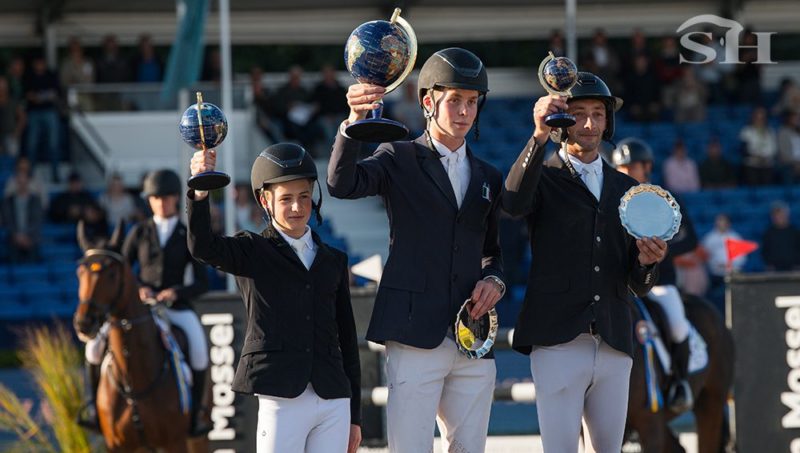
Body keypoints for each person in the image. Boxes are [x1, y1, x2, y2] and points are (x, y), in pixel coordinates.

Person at [328, 47, 505, 452]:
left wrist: (495, 279)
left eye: (472, 102)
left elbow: (492, 252)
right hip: (413, 331)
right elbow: (342, 184)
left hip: (473, 335)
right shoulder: (397, 156)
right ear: (428, 102)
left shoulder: (488, 176)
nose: (464, 111)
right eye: (455, 100)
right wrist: (353, 123)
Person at [502, 71, 666, 453]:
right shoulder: (542, 177)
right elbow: (511, 203)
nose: (590, 123)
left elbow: (638, 283)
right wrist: (538, 136)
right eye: (579, 113)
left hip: (612, 338)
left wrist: (646, 263)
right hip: (557, 340)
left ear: (609, 121)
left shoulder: (628, 189)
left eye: (598, 113)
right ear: (562, 120)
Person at [188, 144, 362, 453]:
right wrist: (201, 189)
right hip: (281, 396)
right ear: (265, 200)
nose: (297, 207)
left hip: (334, 396)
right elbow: (203, 247)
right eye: (286, 199)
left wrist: (355, 417)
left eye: (304, 197)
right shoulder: (252, 250)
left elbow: (347, 339)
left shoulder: (334, 260)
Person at [79, 169, 211, 437]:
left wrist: (175, 292)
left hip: (175, 308)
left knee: (199, 349)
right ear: (148, 200)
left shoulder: (188, 235)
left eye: (166, 197)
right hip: (140, 307)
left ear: (176, 199)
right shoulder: (139, 232)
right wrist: (139, 289)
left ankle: (196, 414)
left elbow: (202, 283)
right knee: (93, 348)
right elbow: (122, 270)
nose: (161, 202)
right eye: (155, 198)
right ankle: (93, 408)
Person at [612, 137, 698, 413]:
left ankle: (680, 383)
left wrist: (662, 251)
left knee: (676, 325)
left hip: (660, 283)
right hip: (622, 284)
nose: (626, 171)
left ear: (646, 167)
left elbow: (691, 239)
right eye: (621, 167)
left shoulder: (666, 199)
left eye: (632, 166)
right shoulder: (611, 200)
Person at [761, 201, 800, 272]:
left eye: (780, 214)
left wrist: (797, 264)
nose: (778, 217)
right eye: (775, 215)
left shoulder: (795, 232)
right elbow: (765, 252)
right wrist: (769, 265)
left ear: (786, 215)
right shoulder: (768, 233)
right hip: (774, 269)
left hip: (793, 268)